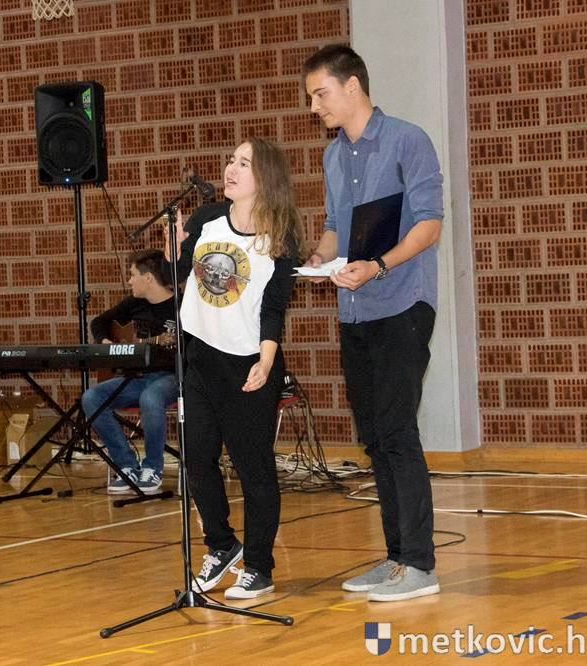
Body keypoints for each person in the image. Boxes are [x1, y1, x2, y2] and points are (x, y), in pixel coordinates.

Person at [302, 44, 444, 602]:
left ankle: (420, 564)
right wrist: (319, 258)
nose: (315, 106)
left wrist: (379, 266)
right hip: (355, 311)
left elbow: (429, 225)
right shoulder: (333, 157)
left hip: (403, 305)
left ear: (352, 85)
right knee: (377, 438)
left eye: (321, 94)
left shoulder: (409, 140)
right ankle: (396, 557)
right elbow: (336, 227)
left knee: (399, 431)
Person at [170, 138, 302, 600]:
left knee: (253, 467)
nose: (231, 168)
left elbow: (274, 308)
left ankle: (259, 566)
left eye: (244, 163)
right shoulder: (206, 219)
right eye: (231, 160)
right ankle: (222, 545)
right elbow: (179, 274)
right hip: (200, 358)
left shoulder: (279, 239)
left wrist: (266, 361)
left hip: (249, 364)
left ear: (264, 177)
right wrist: (174, 250)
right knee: (196, 457)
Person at [80, 249, 177, 494]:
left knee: (151, 398)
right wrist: (105, 343)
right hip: (135, 378)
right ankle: (127, 465)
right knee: (92, 397)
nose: (129, 280)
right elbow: (98, 322)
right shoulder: (134, 304)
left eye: (133, 274)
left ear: (148, 278)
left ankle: (152, 468)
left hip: (171, 377)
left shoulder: (182, 305)